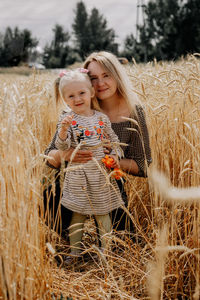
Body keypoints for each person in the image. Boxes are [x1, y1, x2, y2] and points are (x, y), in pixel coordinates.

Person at [44, 51, 152, 237]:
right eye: (93, 78)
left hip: (107, 183)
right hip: (73, 181)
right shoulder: (76, 107)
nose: (100, 83)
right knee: (51, 207)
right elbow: (49, 156)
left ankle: (107, 247)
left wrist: (116, 161)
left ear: (116, 75)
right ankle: (71, 245)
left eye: (106, 75)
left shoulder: (134, 112)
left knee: (124, 241)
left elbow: (143, 164)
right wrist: (66, 154)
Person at [52, 68, 124, 261]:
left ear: (91, 92)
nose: (77, 99)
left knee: (103, 214)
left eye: (82, 93)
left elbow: (114, 140)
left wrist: (116, 154)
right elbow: (61, 146)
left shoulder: (101, 119)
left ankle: (105, 251)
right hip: (79, 175)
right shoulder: (67, 120)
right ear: (65, 100)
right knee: (78, 214)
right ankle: (75, 252)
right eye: (71, 96)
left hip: (100, 174)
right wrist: (63, 131)